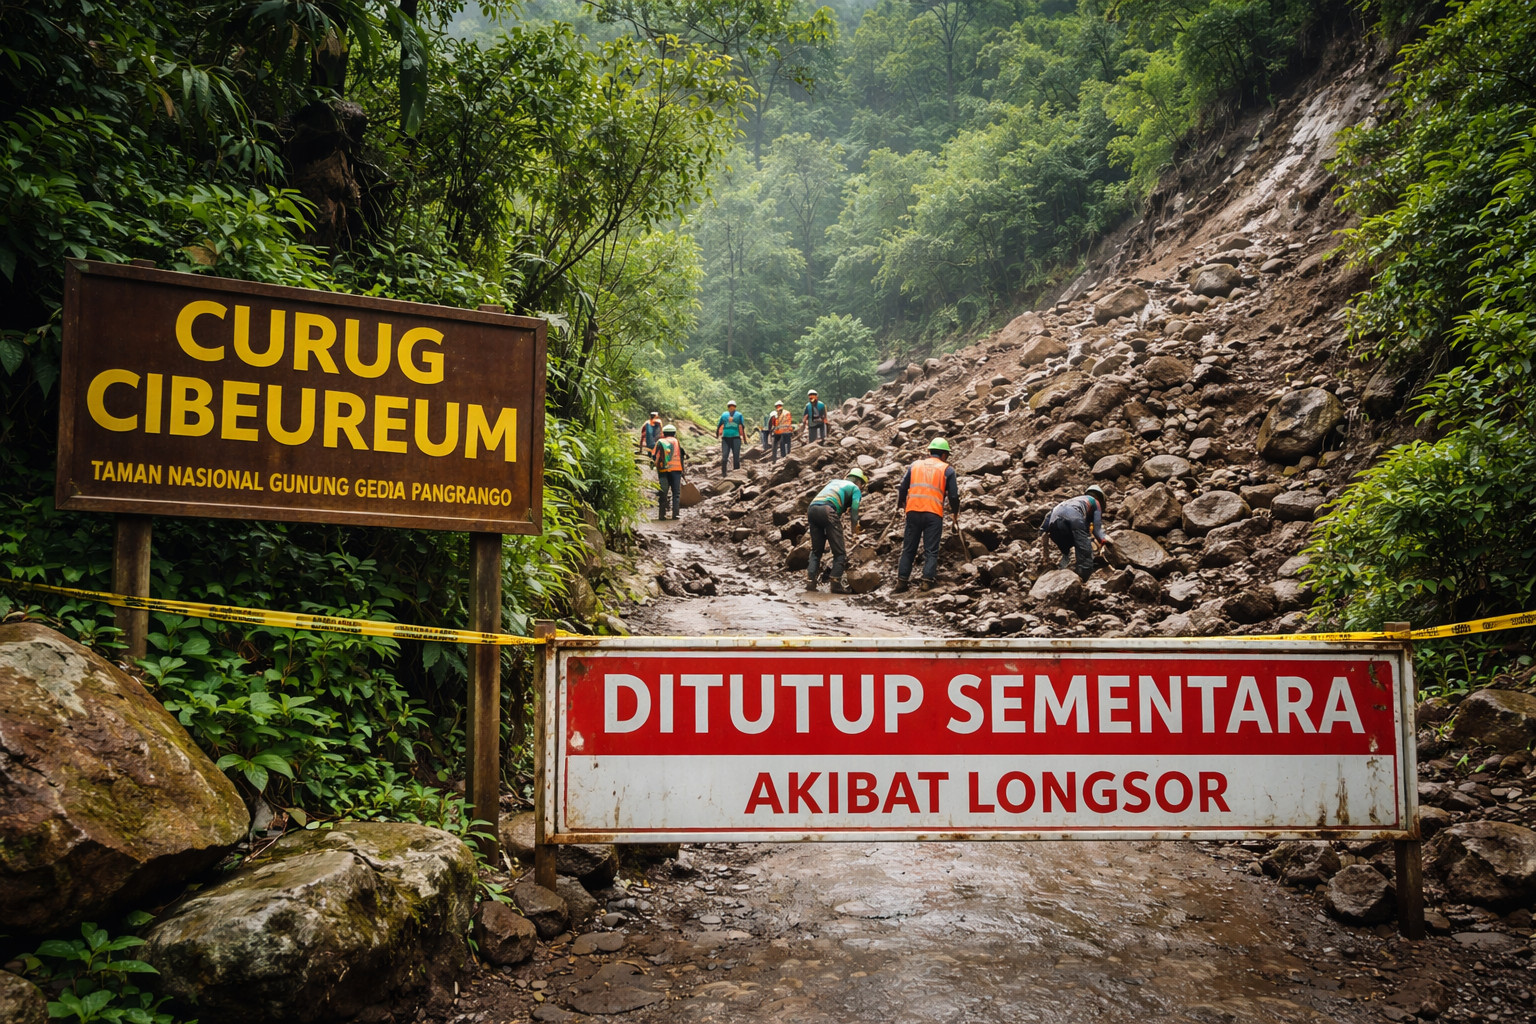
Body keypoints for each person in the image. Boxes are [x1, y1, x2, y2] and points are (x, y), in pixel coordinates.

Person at [893, 438, 960, 593]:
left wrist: (901, 506)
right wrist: (955, 514)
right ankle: (926, 581)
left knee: (909, 548)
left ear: (929, 452)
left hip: (913, 511)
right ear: (944, 455)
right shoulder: (947, 470)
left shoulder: (914, 466)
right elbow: (954, 496)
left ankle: (902, 582)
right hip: (933, 513)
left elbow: (903, 488)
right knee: (931, 550)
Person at [806, 467, 866, 593]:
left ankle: (810, 581)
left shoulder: (834, 482)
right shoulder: (855, 488)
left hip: (812, 509)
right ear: (859, 482)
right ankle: (835, 583)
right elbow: (855, 509)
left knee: (817, 550)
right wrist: (854, 530)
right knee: (840, 553)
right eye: (862, 486)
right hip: (828, 510)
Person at [1040, 485, 1115, 581]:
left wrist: (1042, 531)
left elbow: (1048, 516)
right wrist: (1104, 540)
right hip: (1074, 519)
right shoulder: (1096, 502)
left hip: (1055, 523)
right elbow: (1097, 530)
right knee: (1084, 550)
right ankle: (1083, 578)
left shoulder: (1075, 500)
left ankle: (1063, 562)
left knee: (1070, 541)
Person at [652, 424, 687, 520]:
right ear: (674, 433)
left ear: (664, 433)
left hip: (663, 470)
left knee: (663, 492)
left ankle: (661, 515)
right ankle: (675, 514)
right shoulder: (676, 442)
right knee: (676, 493)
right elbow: (681, 457)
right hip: (676, 470)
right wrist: (683, 471)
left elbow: (654, 456)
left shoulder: (660, 442)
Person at [716, 400, 745, 475]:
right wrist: (717, 434)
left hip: (735, 437)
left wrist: (743, 437)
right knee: (725, 457)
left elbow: (742, 426)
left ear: (734, 407)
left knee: (735, 457)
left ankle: (735, 473)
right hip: (727, 438)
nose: (731, 408)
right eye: (730, 406)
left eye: (732, 406)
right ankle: (724, 473)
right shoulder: (726, 415)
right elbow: (742, 425)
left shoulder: (738, 415)